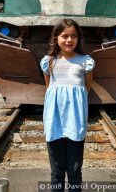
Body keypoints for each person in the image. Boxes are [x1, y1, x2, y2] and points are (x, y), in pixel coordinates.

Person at [40, 18, 95, 191]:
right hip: (54, 121)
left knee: (74, 169)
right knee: (56, 170)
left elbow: (87, 87)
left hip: (75, 121)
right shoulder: (49, 61)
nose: (69, 40)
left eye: (73, 36)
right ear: (56, 37)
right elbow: (50, 88)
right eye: (64, 36)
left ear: (78, 38)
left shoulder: (85, 61)